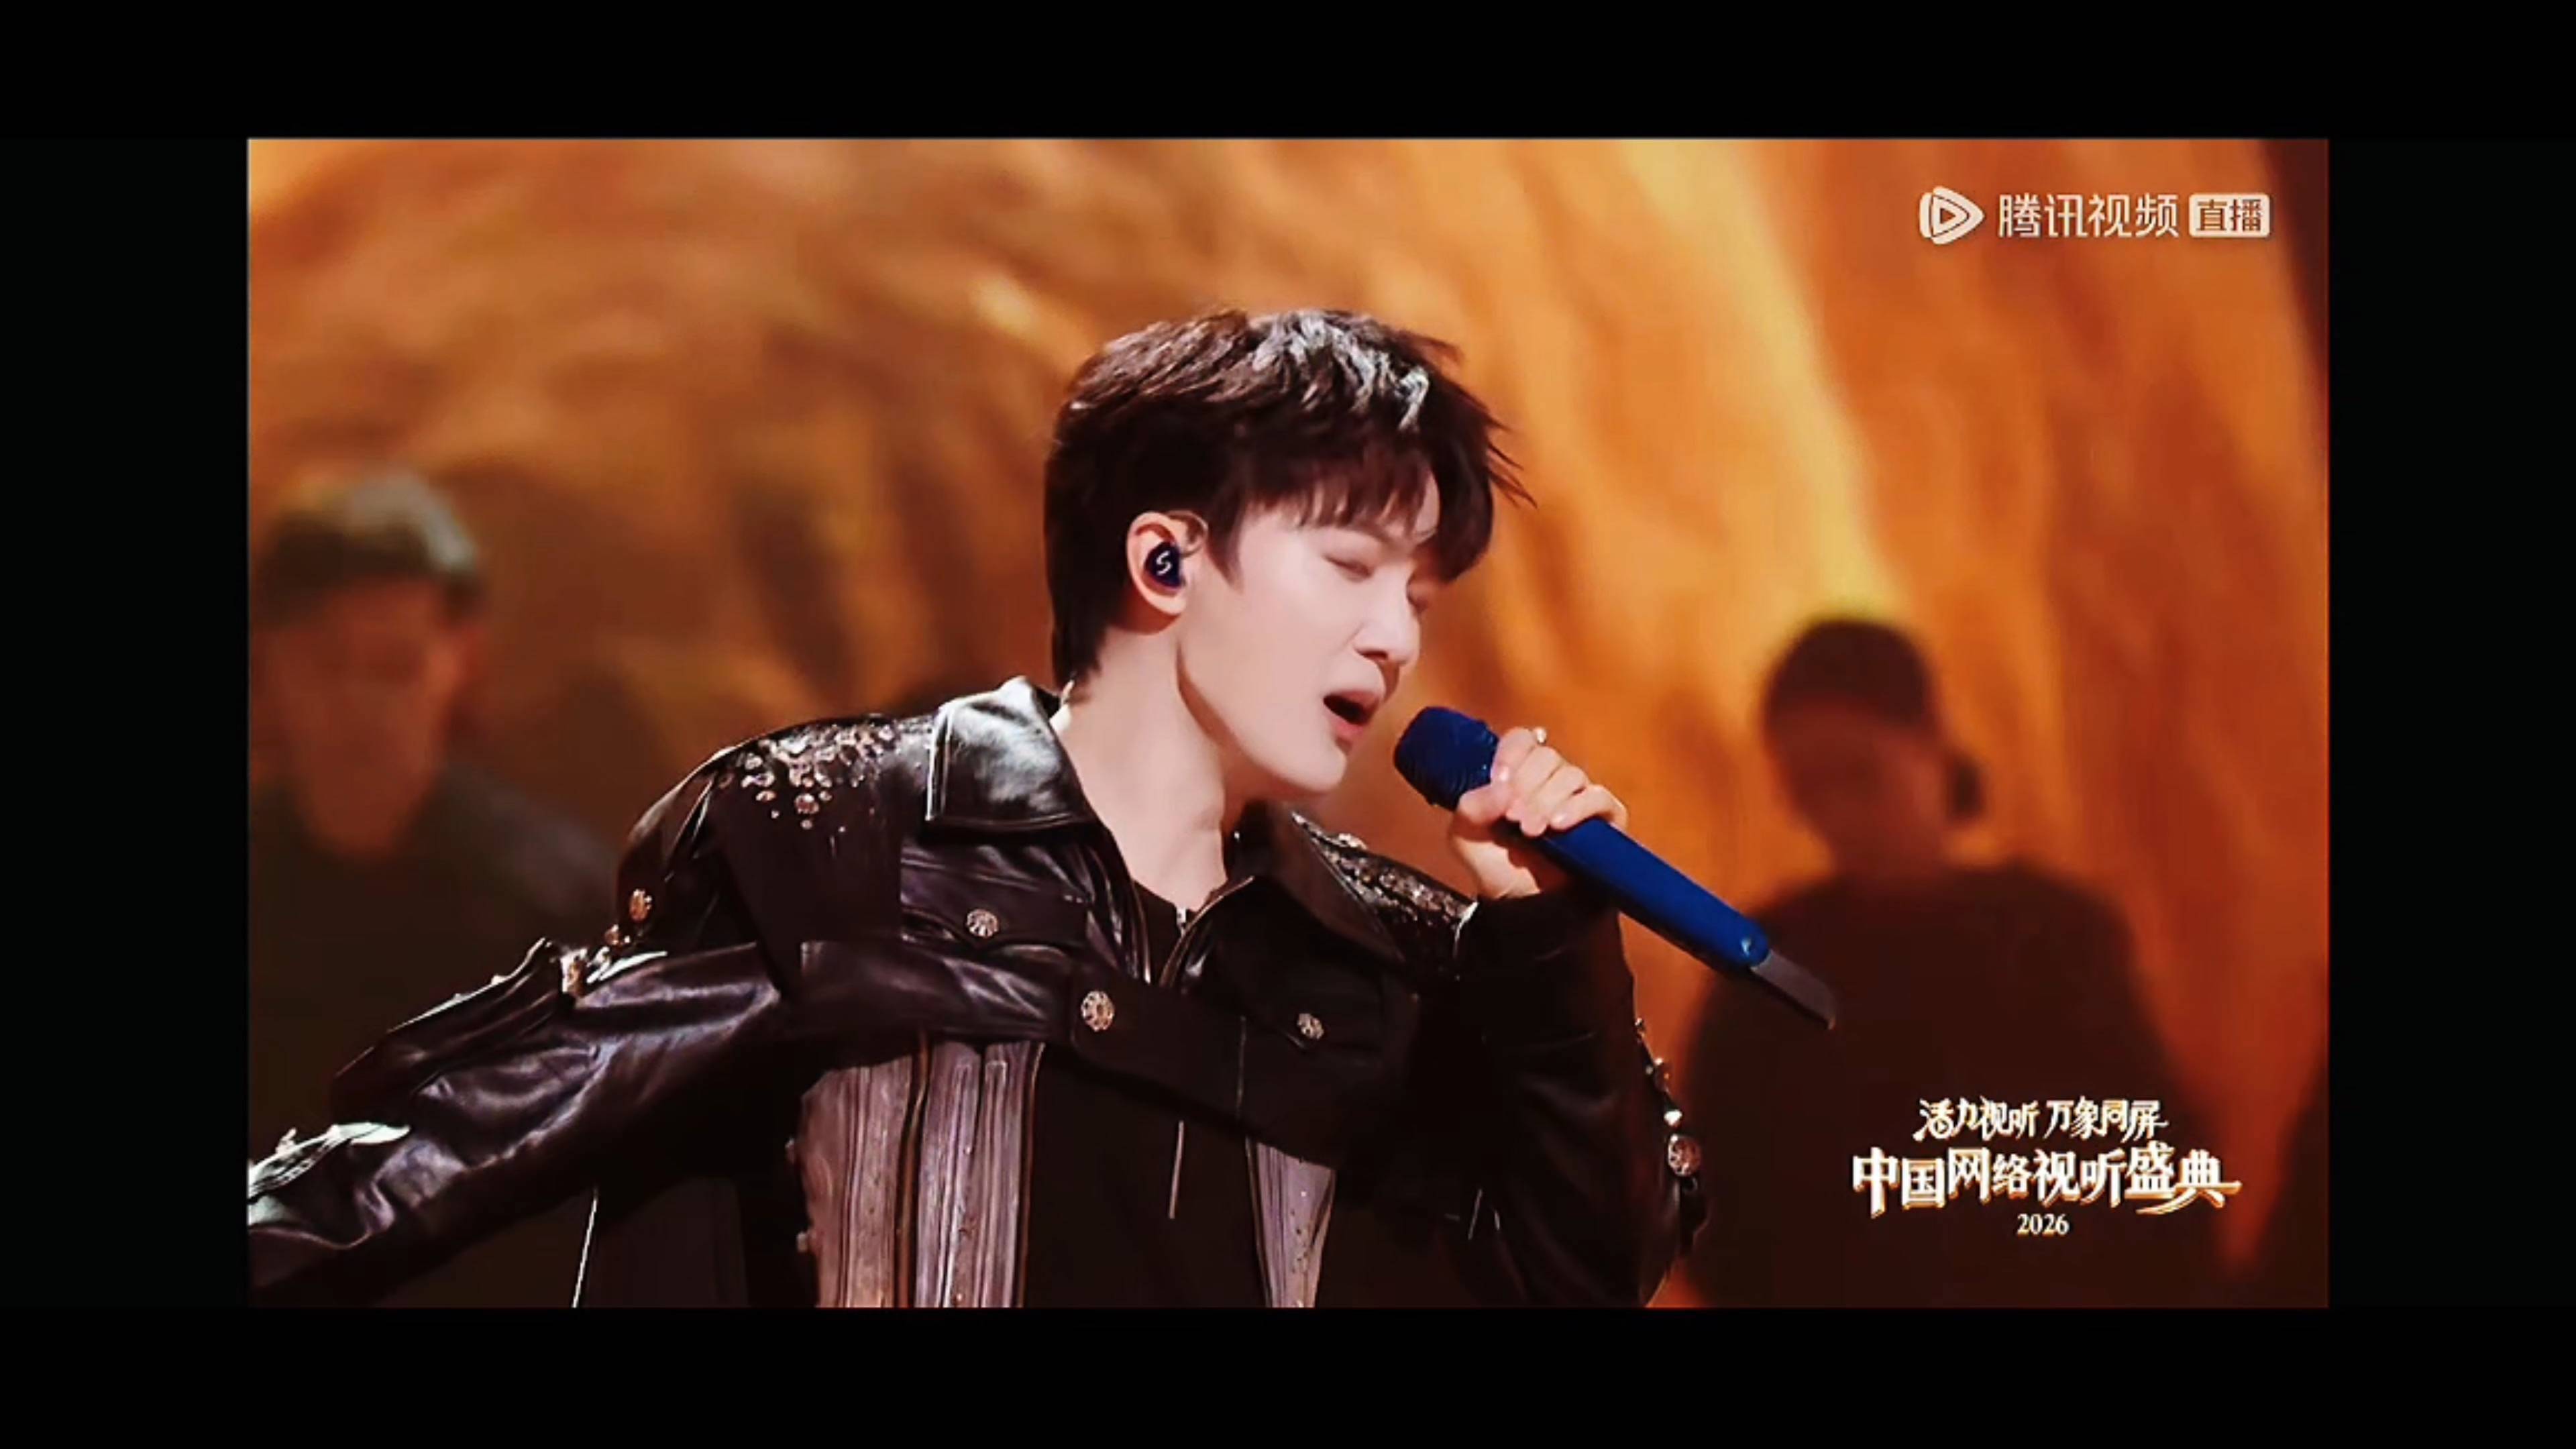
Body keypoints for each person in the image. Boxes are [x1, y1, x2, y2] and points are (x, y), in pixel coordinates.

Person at [248, 309, 1704, 1308]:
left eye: (1419, 595)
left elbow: (1584, 1273)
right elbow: (447, 1152)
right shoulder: (846, 839)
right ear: (1165, 560)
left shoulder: (1384, 953)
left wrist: (1551, 955)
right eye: (1351, 567)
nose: (1394, 638)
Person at [1683, 619, 2218, 1307]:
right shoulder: (1769, 968)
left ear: (1931, 746)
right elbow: (1720, 1214)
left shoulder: (2055, 941)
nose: (1839, 816)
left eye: (1860, 775)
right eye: (1811, 791)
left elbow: (2153, 1179)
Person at [250, 474, 613, 1306]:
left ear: (461, 663)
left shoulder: (552, 911)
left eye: (395, 666)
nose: (358, 704)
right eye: (326, 664)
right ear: (267, 666)